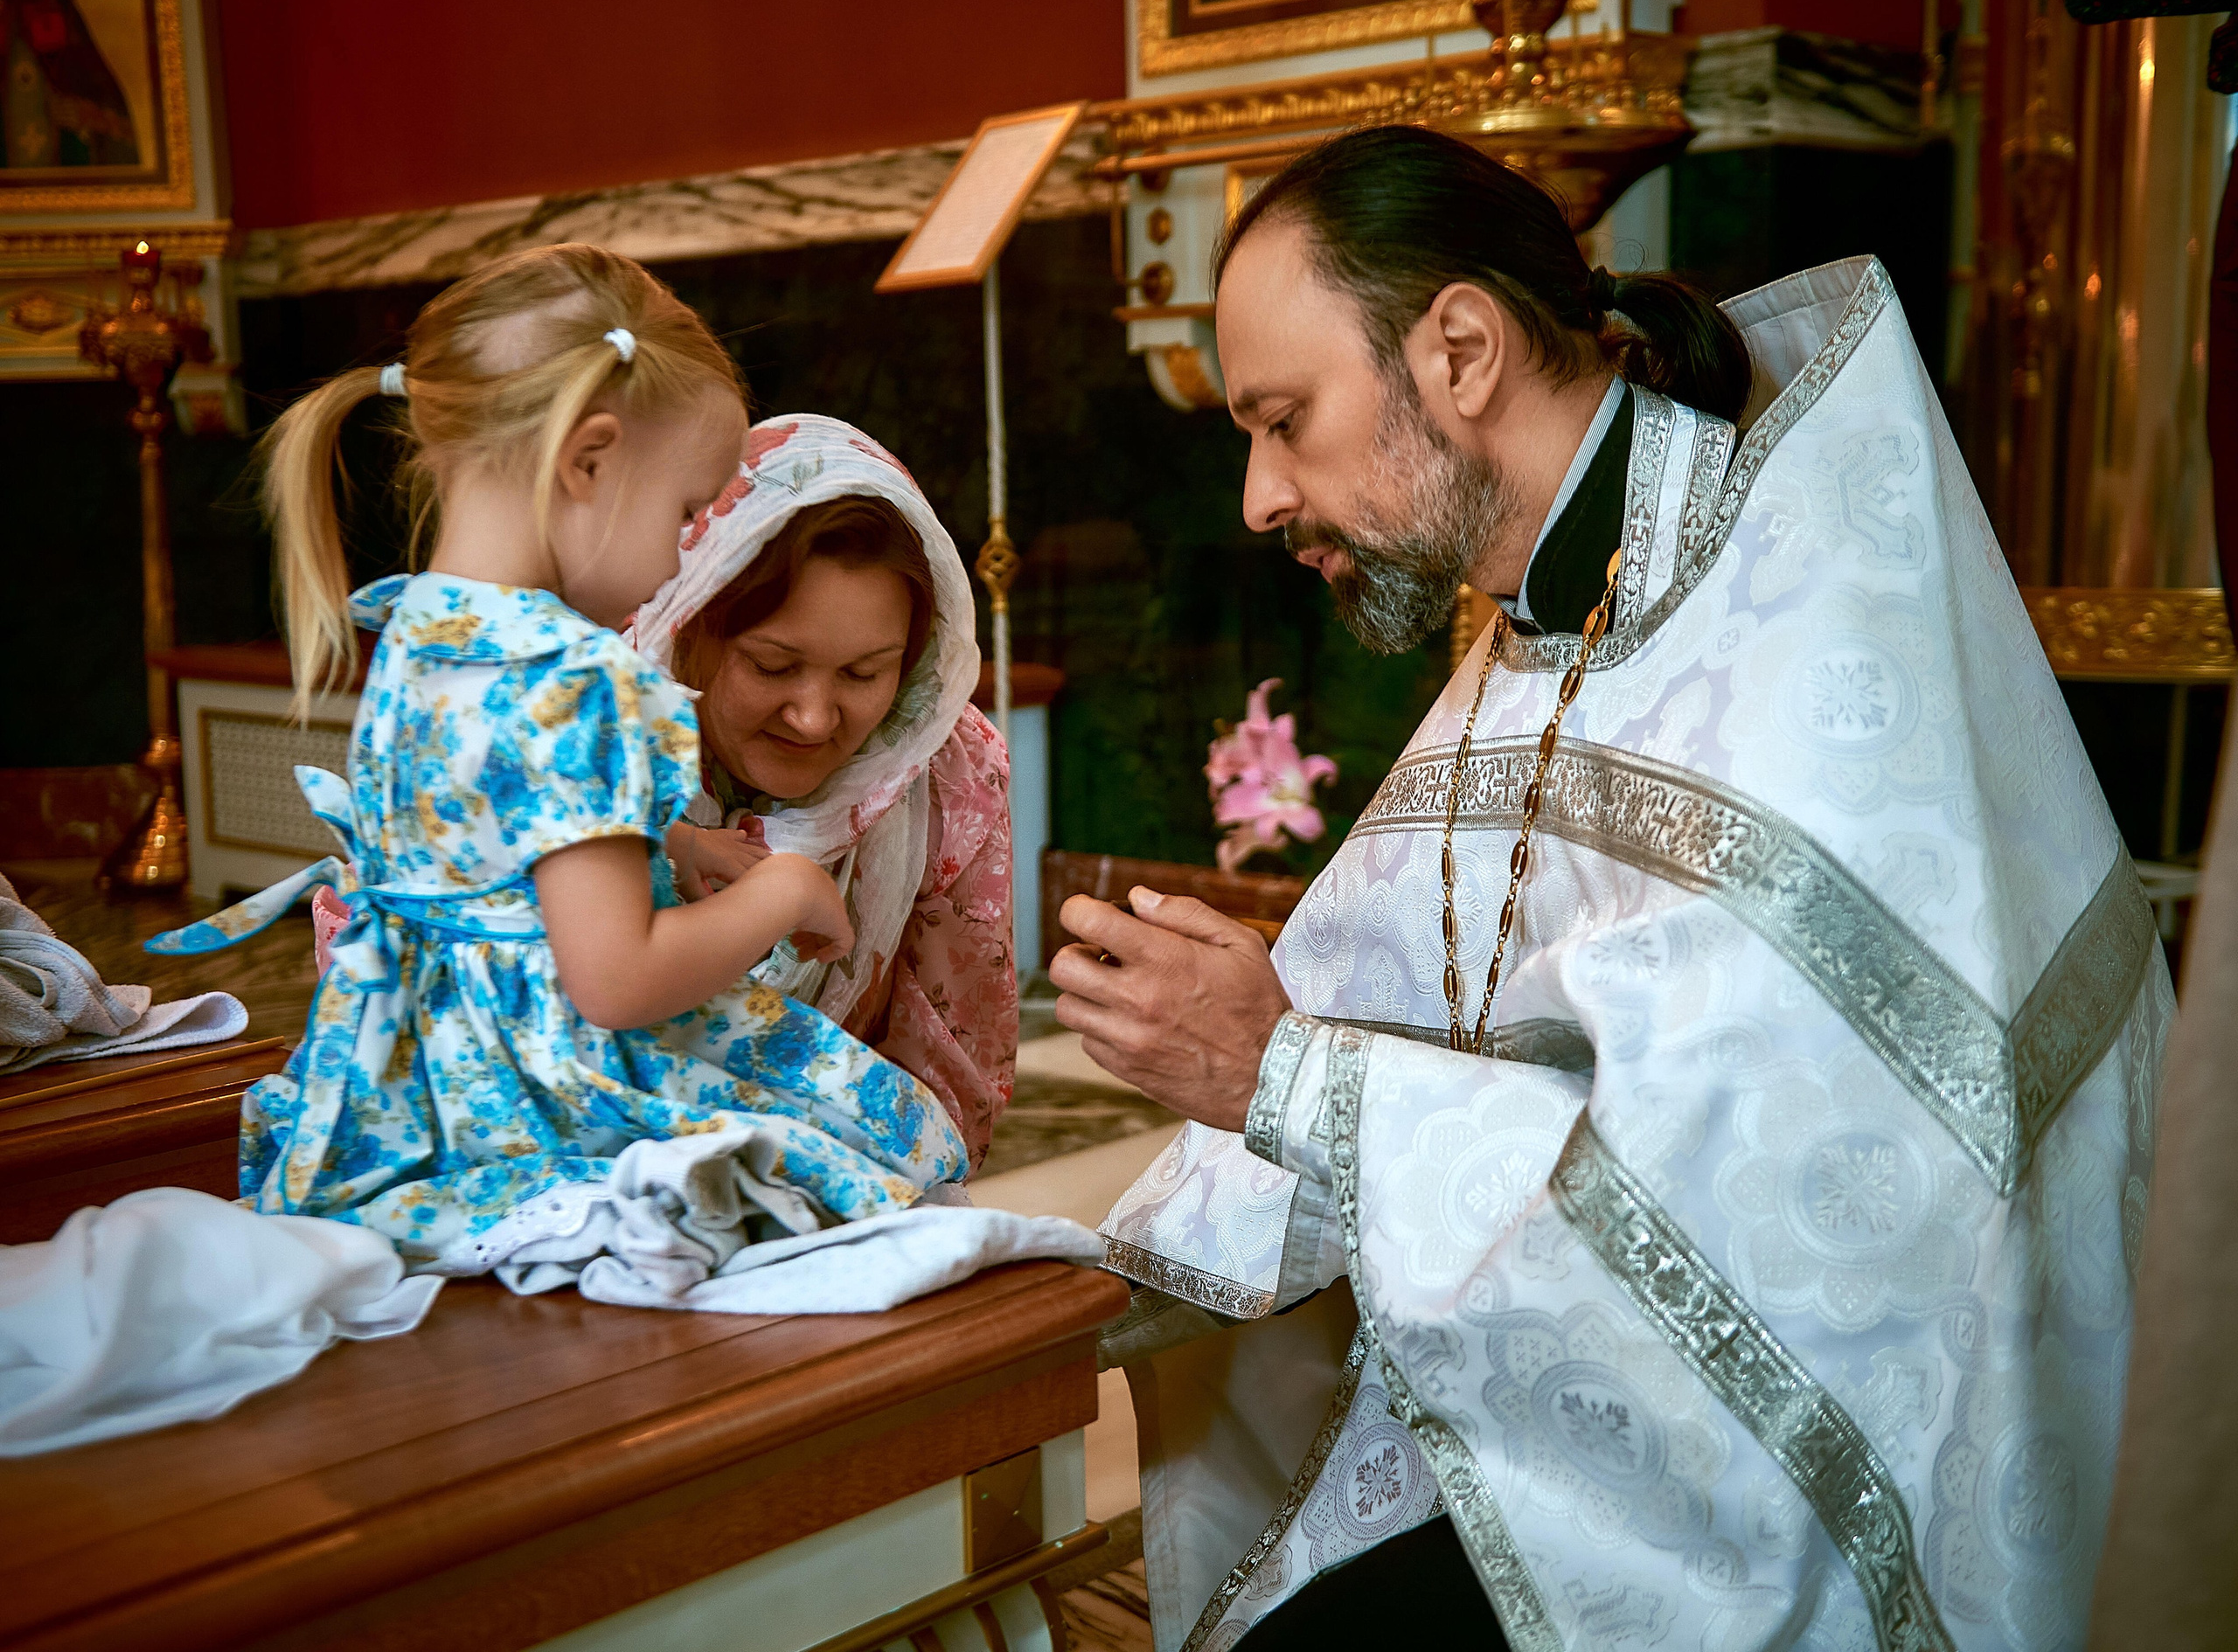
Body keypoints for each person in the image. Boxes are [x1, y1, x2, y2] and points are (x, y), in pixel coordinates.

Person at [1054, 127, 2166, 1650]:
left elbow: (1767, 1224)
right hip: (1581, 1412)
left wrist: (1286, 1074)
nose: (1257, 497)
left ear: (1458, 351)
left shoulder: (1795, 636)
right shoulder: (1560, 613)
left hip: (1824, 1487)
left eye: (1285, 420)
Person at [149, 242, 969, 1281]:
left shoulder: (418, 628)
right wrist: (782, 893)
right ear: (587, 460)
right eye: (685, 512)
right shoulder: (581, 674)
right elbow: (615, 982)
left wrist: (665, 836)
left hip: (413, 1087)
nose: (684, 556)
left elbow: (490, 822)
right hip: (540, 1090)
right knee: (891, 1145)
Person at [626, 414, 1016, 1172]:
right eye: (773, 666)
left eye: (866, 673)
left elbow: (952, 1078)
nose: (813, 716)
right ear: (692, 620)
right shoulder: (595, 733)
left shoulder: (947, 767)